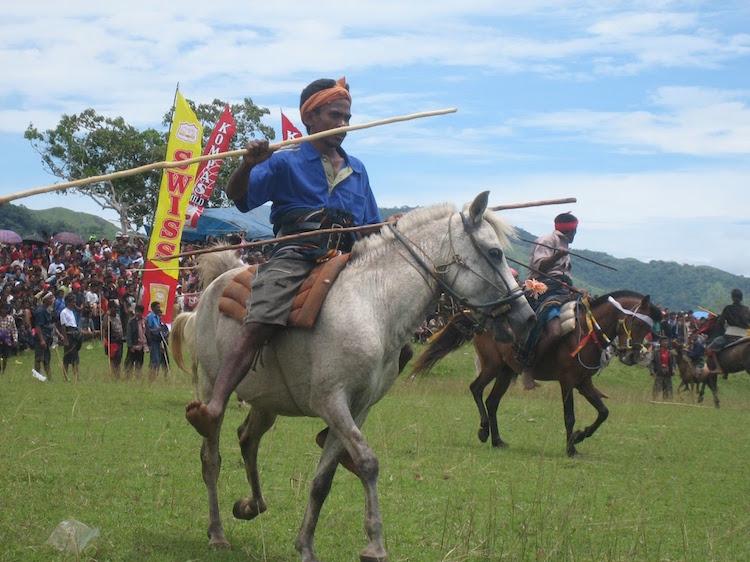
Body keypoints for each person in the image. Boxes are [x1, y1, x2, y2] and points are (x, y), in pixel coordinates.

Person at [186, 76, 382, 438]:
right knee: (263, 314)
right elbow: (240, 198)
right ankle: (216, 404)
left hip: (348, 258)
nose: (343, 125)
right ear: (310, 118)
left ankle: (341, 427)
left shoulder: (358, 170)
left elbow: (371, 227)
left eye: (348, 119)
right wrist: (248, 164)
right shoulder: (284, 162)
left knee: (390, 335)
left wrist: (392, 228)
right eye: (335, 116)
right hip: (297, 255)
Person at [519, 212, 579, 390]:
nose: (576, 234)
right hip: (544, 289)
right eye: (575, 231)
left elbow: (564, 276)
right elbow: (540, 267)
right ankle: (529, 366)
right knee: (554, 331)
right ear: (571, 230)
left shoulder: (565, 244)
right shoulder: (547, 240)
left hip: (563, 290)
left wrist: (575, 288)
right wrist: (556, 256)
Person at [705, 288, 750, 376]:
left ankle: (718, 367)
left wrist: (720, 319)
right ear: (741, 298)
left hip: (730, 336)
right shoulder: (747, 309)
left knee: (711, 347)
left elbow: (720, 323)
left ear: (732, 298)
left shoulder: (728, 308)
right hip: (744, 336)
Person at [32, 292, 56, 380]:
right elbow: (38, 326)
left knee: (47, 358)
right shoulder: (40, 311)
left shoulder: (48, 310)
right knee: (39, 358)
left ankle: (49, 377)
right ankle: (38, 377)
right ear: (45, 300)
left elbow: (50, 324)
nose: (52, 300)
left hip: (48, 337)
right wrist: (42, 340)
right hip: (41, 337)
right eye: (50, 298)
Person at [59, 293, 82, 382]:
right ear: (69, 302)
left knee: (75, 357)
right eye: (73, 302)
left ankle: (76, 377)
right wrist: (65, 339)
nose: (74, 304)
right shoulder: (63, 312)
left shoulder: (72, 312)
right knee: (67, 358)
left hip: (74, 334)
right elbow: (63, 327)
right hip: (69, 335)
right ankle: (65, 377)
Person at [146, 301, 168, 379]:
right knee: (154, 360)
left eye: (159, 307)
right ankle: (151, 376)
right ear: (152, 308)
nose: (159, 308)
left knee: (158, 360)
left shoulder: (158, 317)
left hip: (158, 340)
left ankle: (155, 376)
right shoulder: (150, 317)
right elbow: (148, 330)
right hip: (153, 340)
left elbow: (159, 329)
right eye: (157, 307)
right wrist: (156, 330)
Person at [124, 304, 147, 376]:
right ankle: (128, 376)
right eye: (137, 311)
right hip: (133, 346)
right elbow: (129, 334)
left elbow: (145, 333)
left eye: (139, 312)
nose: (138, 313)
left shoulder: (144, 321)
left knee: (139, 363)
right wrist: (130, 346)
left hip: (141, 346)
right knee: (129, 362)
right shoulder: (131, 322)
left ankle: (138, 376)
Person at [104, 302, 124, 378]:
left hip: (119, 340)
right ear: (110, 308)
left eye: (116, 308)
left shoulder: (118, 316)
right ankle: (113, 374)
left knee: (119, 358)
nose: (116, 309)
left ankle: (118, 374)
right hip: (112, 341)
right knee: (113, 358)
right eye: (114, 308)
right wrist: (107, 315)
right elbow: (104, 327)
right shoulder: (107, 317)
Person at [0, 302, 18, 374]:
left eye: (5, 309)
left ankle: (3, 370)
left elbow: (14, 330)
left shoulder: (10, 318)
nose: (4, 311)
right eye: (2, 309)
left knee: (5, 356)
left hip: (7, 339)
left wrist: (15, 339)